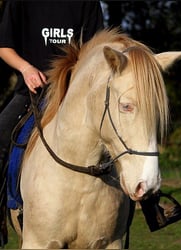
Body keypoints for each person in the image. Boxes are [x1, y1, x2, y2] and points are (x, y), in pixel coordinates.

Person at [0, 1, 104, 246]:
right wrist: (26, 69)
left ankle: (150, 205)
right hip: (32, 94)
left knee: (122, 134)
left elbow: (96, 49)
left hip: (75, 95)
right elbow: (4, 47)